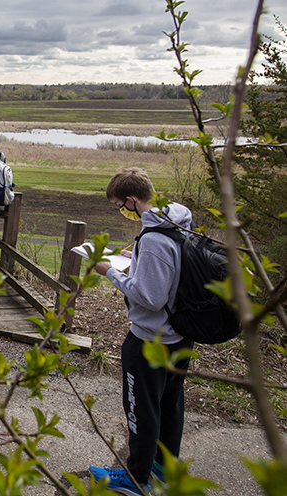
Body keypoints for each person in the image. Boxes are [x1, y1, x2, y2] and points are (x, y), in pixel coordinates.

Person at [88, 167, 193, 495]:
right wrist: (136, 258)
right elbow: (171, 271)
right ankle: (163, 467)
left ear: (132, 200)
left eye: (121, 205)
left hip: (150, 339)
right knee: (170, 404)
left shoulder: (155, 238)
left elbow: (150, 296)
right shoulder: (177, 222)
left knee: (141, 408)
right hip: (179, 334)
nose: (123, 211)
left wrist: (110, 273)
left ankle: (136, 478)